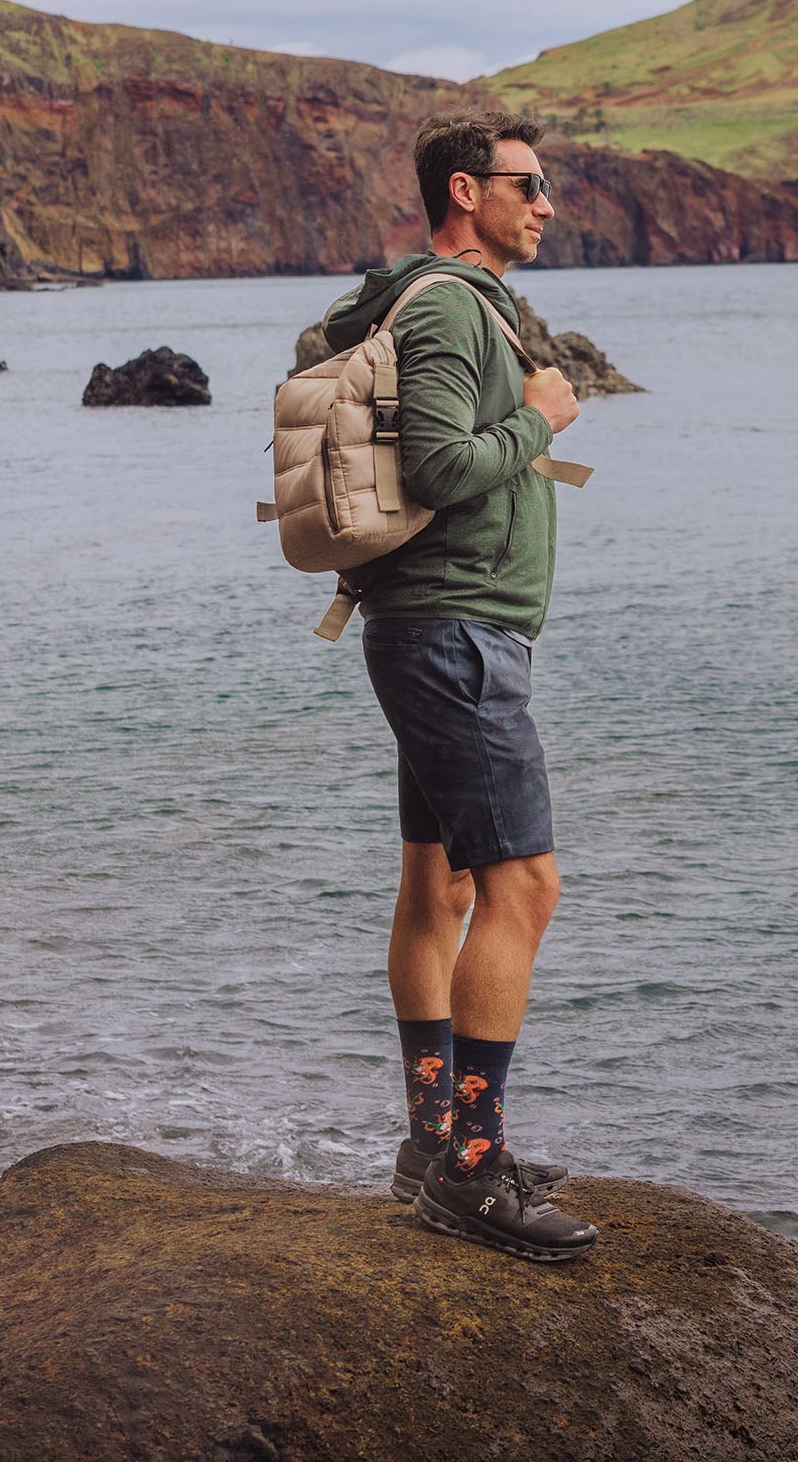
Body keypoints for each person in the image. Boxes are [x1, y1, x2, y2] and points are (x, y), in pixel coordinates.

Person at [310, 110, 598, 1263]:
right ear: (466, 191)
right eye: (527, 185)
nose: (545, 205)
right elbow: (436, 466)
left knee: (440, 883)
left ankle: (433, 1137)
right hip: (454, 636)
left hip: (442, 630)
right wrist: (539, 417)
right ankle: (472, 1166)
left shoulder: (448, 304)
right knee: (525, 886)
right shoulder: (446, 309)